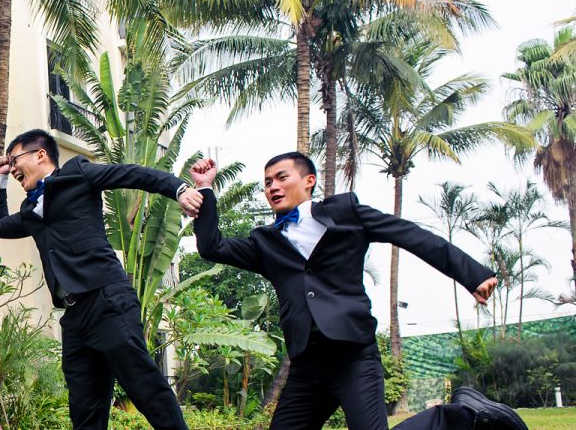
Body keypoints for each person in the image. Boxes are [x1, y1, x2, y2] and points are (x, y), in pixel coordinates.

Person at [189, 153, 522, 430]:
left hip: (353, 356)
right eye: (267, 183)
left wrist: (471, 274)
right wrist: (204, 189)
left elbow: (410, 235)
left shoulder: (346, 214)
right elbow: (212, 247)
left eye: (281, 177)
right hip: (306, 365)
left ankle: (459, 416)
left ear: (309, 180)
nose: (273, 186)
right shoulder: (264, 242)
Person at [0, 129, 202, 430]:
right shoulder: (29, 211)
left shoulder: (77, 173)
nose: (11, 170)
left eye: (13, 161)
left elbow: (131, 174)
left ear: (40, 154)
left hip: (106, 299)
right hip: (74, 317)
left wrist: (179, 190)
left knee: (144, 387)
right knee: (85, 409)